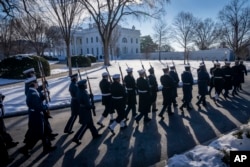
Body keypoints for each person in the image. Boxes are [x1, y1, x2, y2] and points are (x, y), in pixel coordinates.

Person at [19, 77, 56, 156]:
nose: (38, 84)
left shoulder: (32, 91)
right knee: (38, 134)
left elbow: (37, 100)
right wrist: (46, 106)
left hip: (37, 115)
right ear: (33, 84)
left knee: (45, 131)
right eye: (37, 83)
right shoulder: (33, 94)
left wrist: (43, 96)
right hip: (37, 116)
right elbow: (38, 106)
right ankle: (25, 149)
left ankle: (47, 147)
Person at [23, 68, 58, 142]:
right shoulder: (28, 83)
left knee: (44, 121)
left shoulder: (32, 81)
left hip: (39, 103)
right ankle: (28, 139)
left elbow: (37, 89)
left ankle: (48, 134)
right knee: (35, 126)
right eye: (32, 73)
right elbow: (33, 91)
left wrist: (44, 86)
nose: (34, 74)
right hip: (36, 105)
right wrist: (41, 94)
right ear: (30, 74)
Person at [72, 79, 101, 145]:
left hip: (82, 110)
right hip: (85, 111)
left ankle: (95, 134)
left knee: (90, 123)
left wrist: (89, 96)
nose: (86, 85)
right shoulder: (84, 93)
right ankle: (76, 138)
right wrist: (92, 107)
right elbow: (87, 104)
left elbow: (83, 99)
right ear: (82, 85)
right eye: (85, 84)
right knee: (85, 125)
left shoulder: (80, 91)